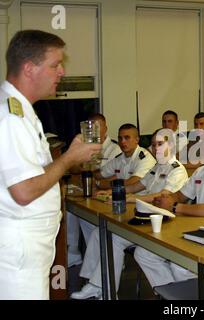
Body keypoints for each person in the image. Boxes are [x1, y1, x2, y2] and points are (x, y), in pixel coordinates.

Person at [0, 30, 101, 299]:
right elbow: (23, 191)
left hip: (29, 249)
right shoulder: (10, 117)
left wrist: (74, 160)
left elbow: (38, 172)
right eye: (55, 65)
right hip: (20, 253)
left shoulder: (22, 111)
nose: (62, 72)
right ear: (30, 68)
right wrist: (68, 158)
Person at [70, 129, 188, 299]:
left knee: (116, 239)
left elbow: (161, 196)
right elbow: (136, 186)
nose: (156, 148)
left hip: (163, 224)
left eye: (160, 144)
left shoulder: (177, 170)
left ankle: (170, 295)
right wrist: (114, 192)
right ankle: (100, 286)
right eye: (153, 145)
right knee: (102, 235)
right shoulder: (157, 166)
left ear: (171, 145)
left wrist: (130, 199)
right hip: (145, 220)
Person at [133, 129, 204, 289]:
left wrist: (174, 206)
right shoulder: (202, 170)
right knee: (143, 253)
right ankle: (174, 295)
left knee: (179, 265)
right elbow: (180, 195)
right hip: (199, 230)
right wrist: (166, 198)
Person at [67, 113, 121, 267]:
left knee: (87, 215)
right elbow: (74, 168)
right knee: (71, 209)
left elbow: (114, 176)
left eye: (97, 127)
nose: (94, 131)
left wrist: (96, 180)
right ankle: (73, 251)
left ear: (106, 129)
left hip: (106, 193)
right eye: (91, 128)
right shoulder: (86, 146)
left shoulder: (114, 149)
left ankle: (107, 256)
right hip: (90, 190)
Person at [94, 123, 156, 190]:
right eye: (120, 138)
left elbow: (133, 181)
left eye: (127, 138)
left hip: (143, 198)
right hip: (125, 196)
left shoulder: (145, 158)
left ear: (137, 140)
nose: (122, 142)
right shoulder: (119, 158)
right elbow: (99, 174)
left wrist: (103, 184)